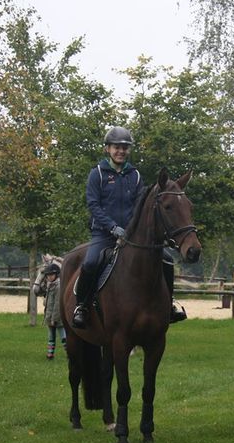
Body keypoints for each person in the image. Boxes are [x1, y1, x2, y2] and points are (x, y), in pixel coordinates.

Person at [72, 126, 187, 329]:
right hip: (103, 233)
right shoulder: (97, 174)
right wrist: (112, 227)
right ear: (107, 149)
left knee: (167, 259)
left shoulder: (134, 175)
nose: (121, 151)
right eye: (117, 147)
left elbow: (138, 205)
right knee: (90, 263)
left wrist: (133, 229)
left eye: (125, 147)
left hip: (130, 234)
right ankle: (82, 306)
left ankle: (168, 306)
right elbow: (94, 206)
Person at [38, 262, 65, 359]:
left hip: (57, 317)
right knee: (51, 336)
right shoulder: (50, 285)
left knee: (63, 337)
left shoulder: (58, 286)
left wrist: (54, 318)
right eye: (48, 275)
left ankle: (70, 353)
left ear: (57, 275)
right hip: (50, 316)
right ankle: (50, 353)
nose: (49, 277)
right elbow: (48, 302)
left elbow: (57, 304)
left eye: (51, 275)